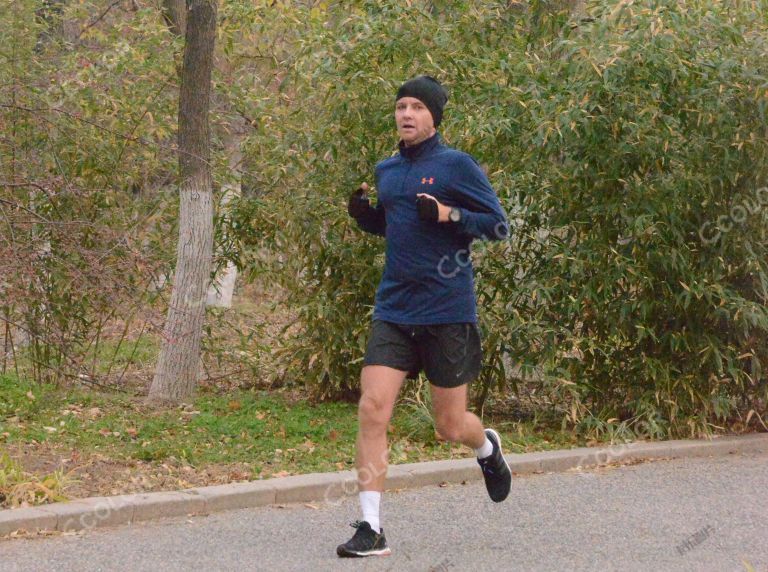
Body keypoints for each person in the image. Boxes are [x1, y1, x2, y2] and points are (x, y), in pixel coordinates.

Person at [336, 75, 511, 558]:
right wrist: (366, 216)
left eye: (416, 106)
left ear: (434, 116)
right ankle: (371, 528)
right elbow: (398, 228)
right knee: (373, 409)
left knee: (449, 425)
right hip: (395, 308)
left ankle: (485, 448)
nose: (406, 114)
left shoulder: (457, 166)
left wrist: (450, 216)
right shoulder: (386, 169)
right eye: (400, 106)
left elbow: (499, 225)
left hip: (446, 310)